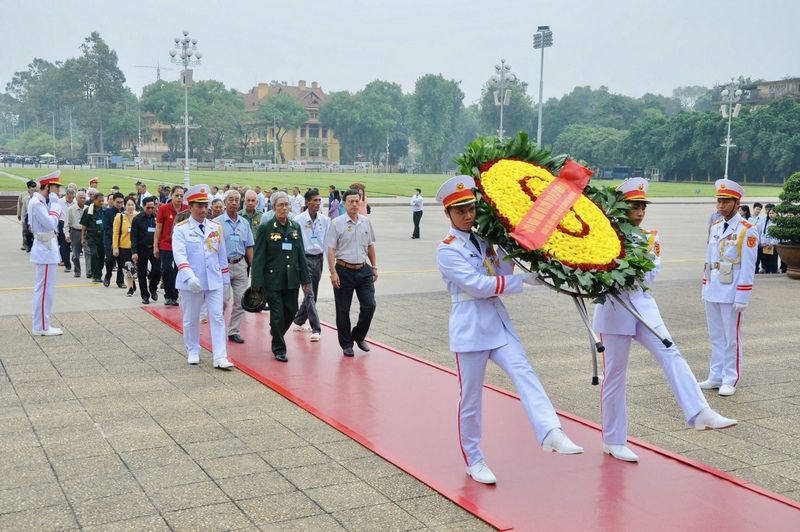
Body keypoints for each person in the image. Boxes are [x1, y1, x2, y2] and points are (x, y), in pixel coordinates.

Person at [435, 175, 582, 485]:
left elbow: (499, 272)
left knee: (524, 372)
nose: (468, 215)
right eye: (460, 210)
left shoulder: (486, 240)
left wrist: (514, 251)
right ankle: (474, 460)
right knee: (471, 399)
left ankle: (550, 431)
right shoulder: (447, 249)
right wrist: (521, 282)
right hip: (470, 327)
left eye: (471, 208)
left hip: (497, 322)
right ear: (448, 213)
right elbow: (478, 286)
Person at [593, 178, 736, 463]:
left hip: (643, 306)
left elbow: (649, 274)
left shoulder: (650, 236)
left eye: (643, 206)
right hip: (613, 311)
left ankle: (699, 412)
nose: (640, 212)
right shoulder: (603, 236)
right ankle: (613, 439)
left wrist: (627, 268)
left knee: (671, 352)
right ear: (621, 206)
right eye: (635, 206)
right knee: (615, 377)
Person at [700, 179, 758, 396]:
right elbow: (709, 259)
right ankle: (715, 375)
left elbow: (748, 265)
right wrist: (705, 285)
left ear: (737, 203)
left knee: (730, 337)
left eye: (725, 202)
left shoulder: (746, 230)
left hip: (732, 290)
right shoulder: (715, 227)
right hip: (714, 287)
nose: (720, 206)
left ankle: (730, 378)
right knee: (715, 335)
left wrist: (743, 296)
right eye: (719, 202)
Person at [172, 184, 233, 370]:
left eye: (205, 205)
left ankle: (220, 356)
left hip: (213, 280)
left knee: (217, 317)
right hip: (191, 282)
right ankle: (193, 350)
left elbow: (222, 256)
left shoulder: (215, 227)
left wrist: (225, 281)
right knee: (191, 318)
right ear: (190, 207)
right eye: (199, 206)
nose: (203, 209)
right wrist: (189, 277)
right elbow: (179, 255)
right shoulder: (181, 229)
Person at [251, 191, 311, 362]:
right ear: (274, 207)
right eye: (280, 205)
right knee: (277, 314)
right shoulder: (266, 228)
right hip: (273, 279)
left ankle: (276, 332)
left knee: (291, 311)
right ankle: (279, 348)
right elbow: (258, 257)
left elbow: (300, 254)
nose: (284, 208)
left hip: (292, 278)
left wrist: (306, 280)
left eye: (286, 205)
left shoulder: (295, 227)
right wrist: (256, 282)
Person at [325, 189, 378, 357]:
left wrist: (374, 266)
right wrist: (333, 272)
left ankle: (359, 335)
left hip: (363, 270)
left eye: (357, 201)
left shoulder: (365, 222)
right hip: (343, 270)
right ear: (344, 203)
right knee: (343, 309)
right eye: (351, 202)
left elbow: (370, 245)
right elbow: (331, 249)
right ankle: (346, 343)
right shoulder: (337, 223)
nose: (355, 204)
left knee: (370, 305)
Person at [214, 189, 254, 344]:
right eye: (230, 199)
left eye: (237, 200)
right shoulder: (217, 223)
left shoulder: (244, 223)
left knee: (240, 301)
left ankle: (234, 331)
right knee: (223, 300)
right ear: (224, 202)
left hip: (240, 264)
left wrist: (254, 269)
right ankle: (218, 326)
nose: (234, 202)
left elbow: (249, 247)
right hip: (223, 265)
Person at [29, 171, 65, 336]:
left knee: (46, 290)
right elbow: (51, 224)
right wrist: (56, 206)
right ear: (48, 187)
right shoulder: (37, 203)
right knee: (44, 291)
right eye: (56, 187)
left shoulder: (40, 201)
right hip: (44, 248)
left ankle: (43, 323)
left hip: (46, 247)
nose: (58, 190)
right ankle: (41, 326)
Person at [292, 188, 330, 342]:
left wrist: (332, 266)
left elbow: (328, 243)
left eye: (319, 200)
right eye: (314, 200)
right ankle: (316, 328)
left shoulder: (324, 220)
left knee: (313, 295)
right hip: (304, 259)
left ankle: (299, 320)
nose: (317, 203)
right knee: (309, 294)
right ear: (307, 202)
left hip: (318, 259)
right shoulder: (298, 220)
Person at [154, 185, 187, 306]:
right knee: (167, 269)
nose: (179, 198)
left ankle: (175, 295)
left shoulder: (186, 209)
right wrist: (155, 245)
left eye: (181, 196)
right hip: (166, 244)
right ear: (171, 195)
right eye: (177, 195)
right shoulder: (164, 209)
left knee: (180, 270)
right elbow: (158, 228)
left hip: (182, 246)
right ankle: (168, 295)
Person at [130, 196, 161, 304]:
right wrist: (134, 252)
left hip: (154, 248)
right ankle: (145, 295)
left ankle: (153, 288)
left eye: (152, 207)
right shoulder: (137, 219)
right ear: (143, 207)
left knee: (157, 271)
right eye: (148, 208)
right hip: (141, 249)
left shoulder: (157, 217)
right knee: (142, 273)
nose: (150, 210)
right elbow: (133, 236)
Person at [113, 197, 139, 296]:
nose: (130, 207)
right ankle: (131, 288)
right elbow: (115, 233)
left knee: (135, 269)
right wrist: (115, 247)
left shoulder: (138, 216)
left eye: (132, 204)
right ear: (124, 205)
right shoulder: (119, 217)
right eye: (128, 204)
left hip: (136, 247)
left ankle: (133, 282)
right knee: (128, 268)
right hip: (124, 247)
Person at [80, 192, 106, 283]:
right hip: (92, 236)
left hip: (102, 237)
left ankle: (99, 273)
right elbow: (84, 225)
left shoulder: (104, 210)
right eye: (99, 201)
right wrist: (82, 238)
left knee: (102, 257)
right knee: (94, 255)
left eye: (103, 201)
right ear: (94, 200)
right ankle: (95, 276)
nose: (101, 202)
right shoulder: (88, 210)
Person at [102, 193, 125, 288]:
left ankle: (120, 281)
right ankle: (108, 275)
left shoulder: (125, 212)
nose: (119, 204)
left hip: (123, 240)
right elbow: (106, 227)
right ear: (113, 201)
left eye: (121, 202)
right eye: (118, 202)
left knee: (122, 262)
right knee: (110, 260)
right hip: (110, 240)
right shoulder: (107, 212)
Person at [67, 190, 88, 278]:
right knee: (75, 254)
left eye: (84, 198)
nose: (82, 199)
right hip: (75, 232)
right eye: (80, 198)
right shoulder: (71, 209)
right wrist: (66, 234)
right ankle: (77, 271)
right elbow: (67, 223)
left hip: (86, 233)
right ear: (76, 198)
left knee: (88, 252)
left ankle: (89, 271)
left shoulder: (88, 208)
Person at [57, 186, 76, 272]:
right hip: (62, 223)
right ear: (66, 195)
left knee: (75, 245)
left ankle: (74, 259)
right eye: (69, 197)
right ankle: (67, 264)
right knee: (64, 246)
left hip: (73, 224)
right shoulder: (59, 202)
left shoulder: (75, 202)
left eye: (72, 197)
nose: (71, 199)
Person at [758, 204, 779, 274]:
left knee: (773, 262)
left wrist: (772, 244)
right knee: (765, 261)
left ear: (776, 213)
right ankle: (767, 273)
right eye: (770, 213)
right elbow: (763, 233)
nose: (771, 215)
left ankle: (774, 274)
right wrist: (762, 243)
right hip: (765, 246)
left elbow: (777, 235)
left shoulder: (778, 222)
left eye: (773, 213)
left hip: (773, 246)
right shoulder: (765, 221)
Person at [17, 180, 36, 252]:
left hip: (34, 217)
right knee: (25, 231)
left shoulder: (36, 195)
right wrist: (19, 214)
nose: (33, 189)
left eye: (34, 187)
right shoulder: (23, 195)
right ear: (28, 188)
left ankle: (32, 245)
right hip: (25, 216)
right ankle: (25, 244)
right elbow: (19, 205)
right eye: (32, 187)